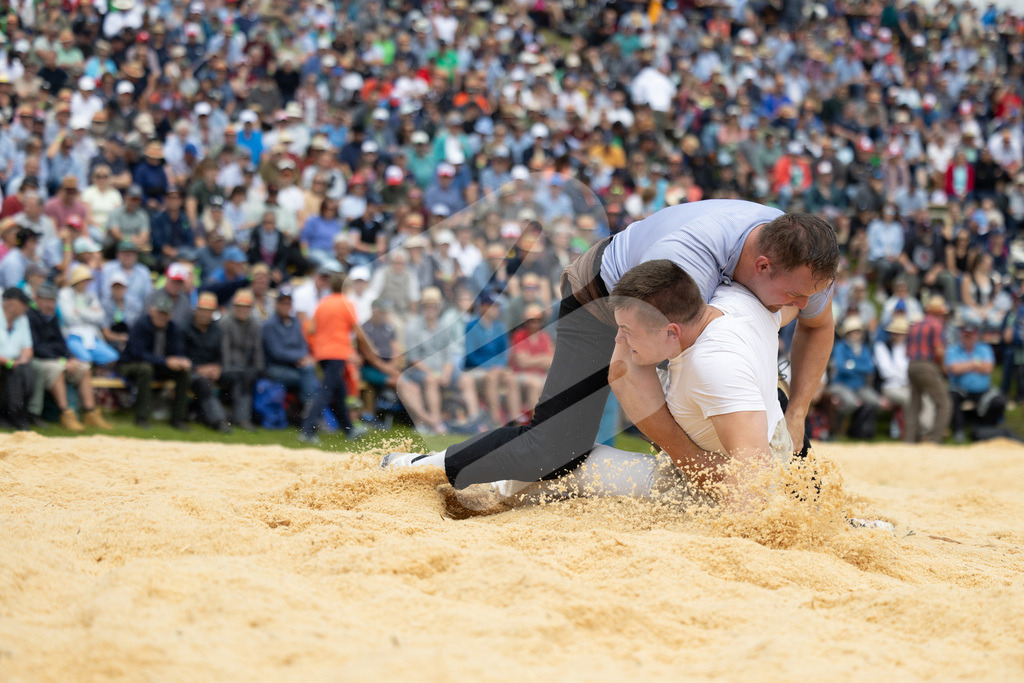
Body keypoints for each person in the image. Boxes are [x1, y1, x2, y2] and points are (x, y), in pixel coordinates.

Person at [385, 202, 838, 493]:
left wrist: (797, 413)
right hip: (601, 303)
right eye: (794, 297)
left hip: (673, 314)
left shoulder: (799, 260)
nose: (798, 307)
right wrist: (690, 461)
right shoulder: (684, 262)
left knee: (768, 405)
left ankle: (809, 514)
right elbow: (628, 368)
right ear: (761, 265)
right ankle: (424, 465)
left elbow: (818, 328)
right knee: (557, 444)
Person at [300, 271, 375, 444]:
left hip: (322, 353)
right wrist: (371, 347)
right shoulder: (347, 304)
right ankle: (307, 430)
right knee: (325, 392)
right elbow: (357, 331)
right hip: (337, 352)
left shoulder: (323, 303)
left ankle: (349, 429)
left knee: (339, 391)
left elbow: (311, 329)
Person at [27, 283, 113, 431]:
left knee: (84, 367)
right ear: (37, 300)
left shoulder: (52, 318)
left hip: (56, 359)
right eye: (46, 300)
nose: (50, 304)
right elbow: (36, 348)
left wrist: (70, 358)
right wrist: (62, 360)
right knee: (58, 369)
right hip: (40, 360)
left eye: (52, 301)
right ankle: (66, 413)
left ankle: (90, 412)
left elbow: (61, 343)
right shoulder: (30, 316)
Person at [119, 291, 192, 429]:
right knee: (146, 369)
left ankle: (179, 419)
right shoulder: (141, 324)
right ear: (152, 311)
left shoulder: (172, 328)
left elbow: (177, 351)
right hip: (129, 364)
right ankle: (141, 417)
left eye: (165, 313)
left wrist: (182, 361)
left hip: (157, 365)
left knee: (183, 372)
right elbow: (137, 354)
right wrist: (166, 361)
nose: (161, 316)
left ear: (170, 315)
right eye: (159, 312)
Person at [261, 286, 319, 434]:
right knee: (309, 378)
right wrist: (299, 359)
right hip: (275, 368)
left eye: (289, 303)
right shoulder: (269, 325)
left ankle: (309, 414)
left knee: (309, 374)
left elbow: (303, 346)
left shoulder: (295, 323)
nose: (286, 306)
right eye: (283, 303)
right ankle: (311, 416)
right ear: (277, 304)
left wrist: (303, 358)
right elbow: (276, 352)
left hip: (296, 368)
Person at [945, 319, 1006, 443]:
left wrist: (965, 366)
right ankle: (959, 430)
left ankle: (987, 429)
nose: (968, 337)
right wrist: (975, 364)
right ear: (961, 334)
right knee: (952, 397)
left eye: (971, 334)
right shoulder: (953, 349)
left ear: (976, 335)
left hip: (982, 391)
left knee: (999, 401)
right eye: (965, 334)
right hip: (960, 390)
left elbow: (988, 368)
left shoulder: (984, 348)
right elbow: (954, 369)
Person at [905, 295, 954, 443]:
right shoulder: (937, 325)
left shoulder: (915, 325)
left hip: (912, 365)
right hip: (927, 366)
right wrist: (943, 368)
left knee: (914, 405)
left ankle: (908, 441)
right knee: (944, 404)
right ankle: (934, 440)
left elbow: (907, 350)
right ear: (940, 312)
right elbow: (939, 351)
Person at [181, 291, 231, 433]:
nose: (204, 314)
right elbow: (180, 356)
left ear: (213, 312)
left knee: (239, 375)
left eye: (208, 311)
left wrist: (218, 368)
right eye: (202, 310)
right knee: (202, 382)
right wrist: (198, 369)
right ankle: (219, 421)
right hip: (189, 371)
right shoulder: (184, 327)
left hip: (211, 370)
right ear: (196, 310)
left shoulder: (217, 330)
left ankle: (242, 418)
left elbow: (222, 355)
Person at [218, 288, 264, 431]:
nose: (243, 310)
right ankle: (243, 419)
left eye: (246, 307)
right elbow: (223, 351)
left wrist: (259, 369)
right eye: (240, 306)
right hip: (228, 366)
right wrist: (227, 369)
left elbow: (258, 349)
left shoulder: (254, 323)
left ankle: (247, 417)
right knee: (243, 377)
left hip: (245, 367)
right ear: (234, 306)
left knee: (251, 375)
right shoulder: (225, 322)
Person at [58, 264, 120, 366]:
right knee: (85, 358)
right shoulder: (65, 294)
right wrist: (90, 313)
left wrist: (80, 312)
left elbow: (100, 317)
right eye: (83, 280)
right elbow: (69, 318)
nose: (86, 283)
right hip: (72, 335)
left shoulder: (91, 295)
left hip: (91, 335)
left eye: (87, 280)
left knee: (113, 356)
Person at [0, 288, 36, 429]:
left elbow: (28, 348)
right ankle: (13, 416)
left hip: (14, 362)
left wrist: (22, 360)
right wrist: (9, 362)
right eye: (24, 303)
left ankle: (18, 415)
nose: (26, 307)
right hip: (4, 362)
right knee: (13, 372)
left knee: (26, 371)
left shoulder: (22, 320)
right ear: (12, 303)